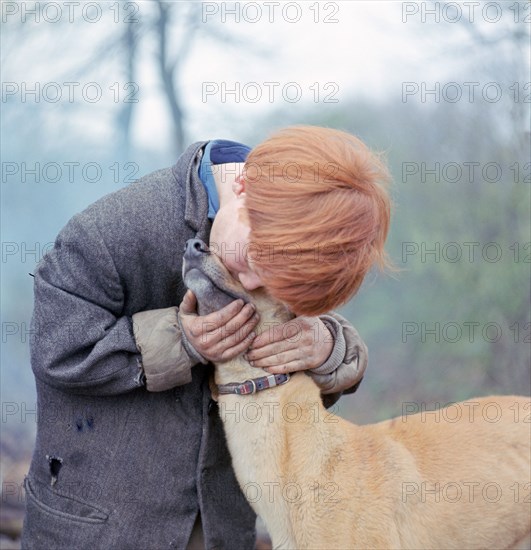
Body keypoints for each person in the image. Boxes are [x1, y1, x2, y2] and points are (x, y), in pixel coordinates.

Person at [21, 126, 391, 549]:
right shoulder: (107, 232)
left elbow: (292, 384)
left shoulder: (297, 233)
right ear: (242, 185)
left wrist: (329, 348)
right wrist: (180, 342)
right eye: (251, 260)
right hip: (99, 530)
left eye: (275, 284)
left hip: (219, 532)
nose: (253, 283)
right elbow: (55, 348)